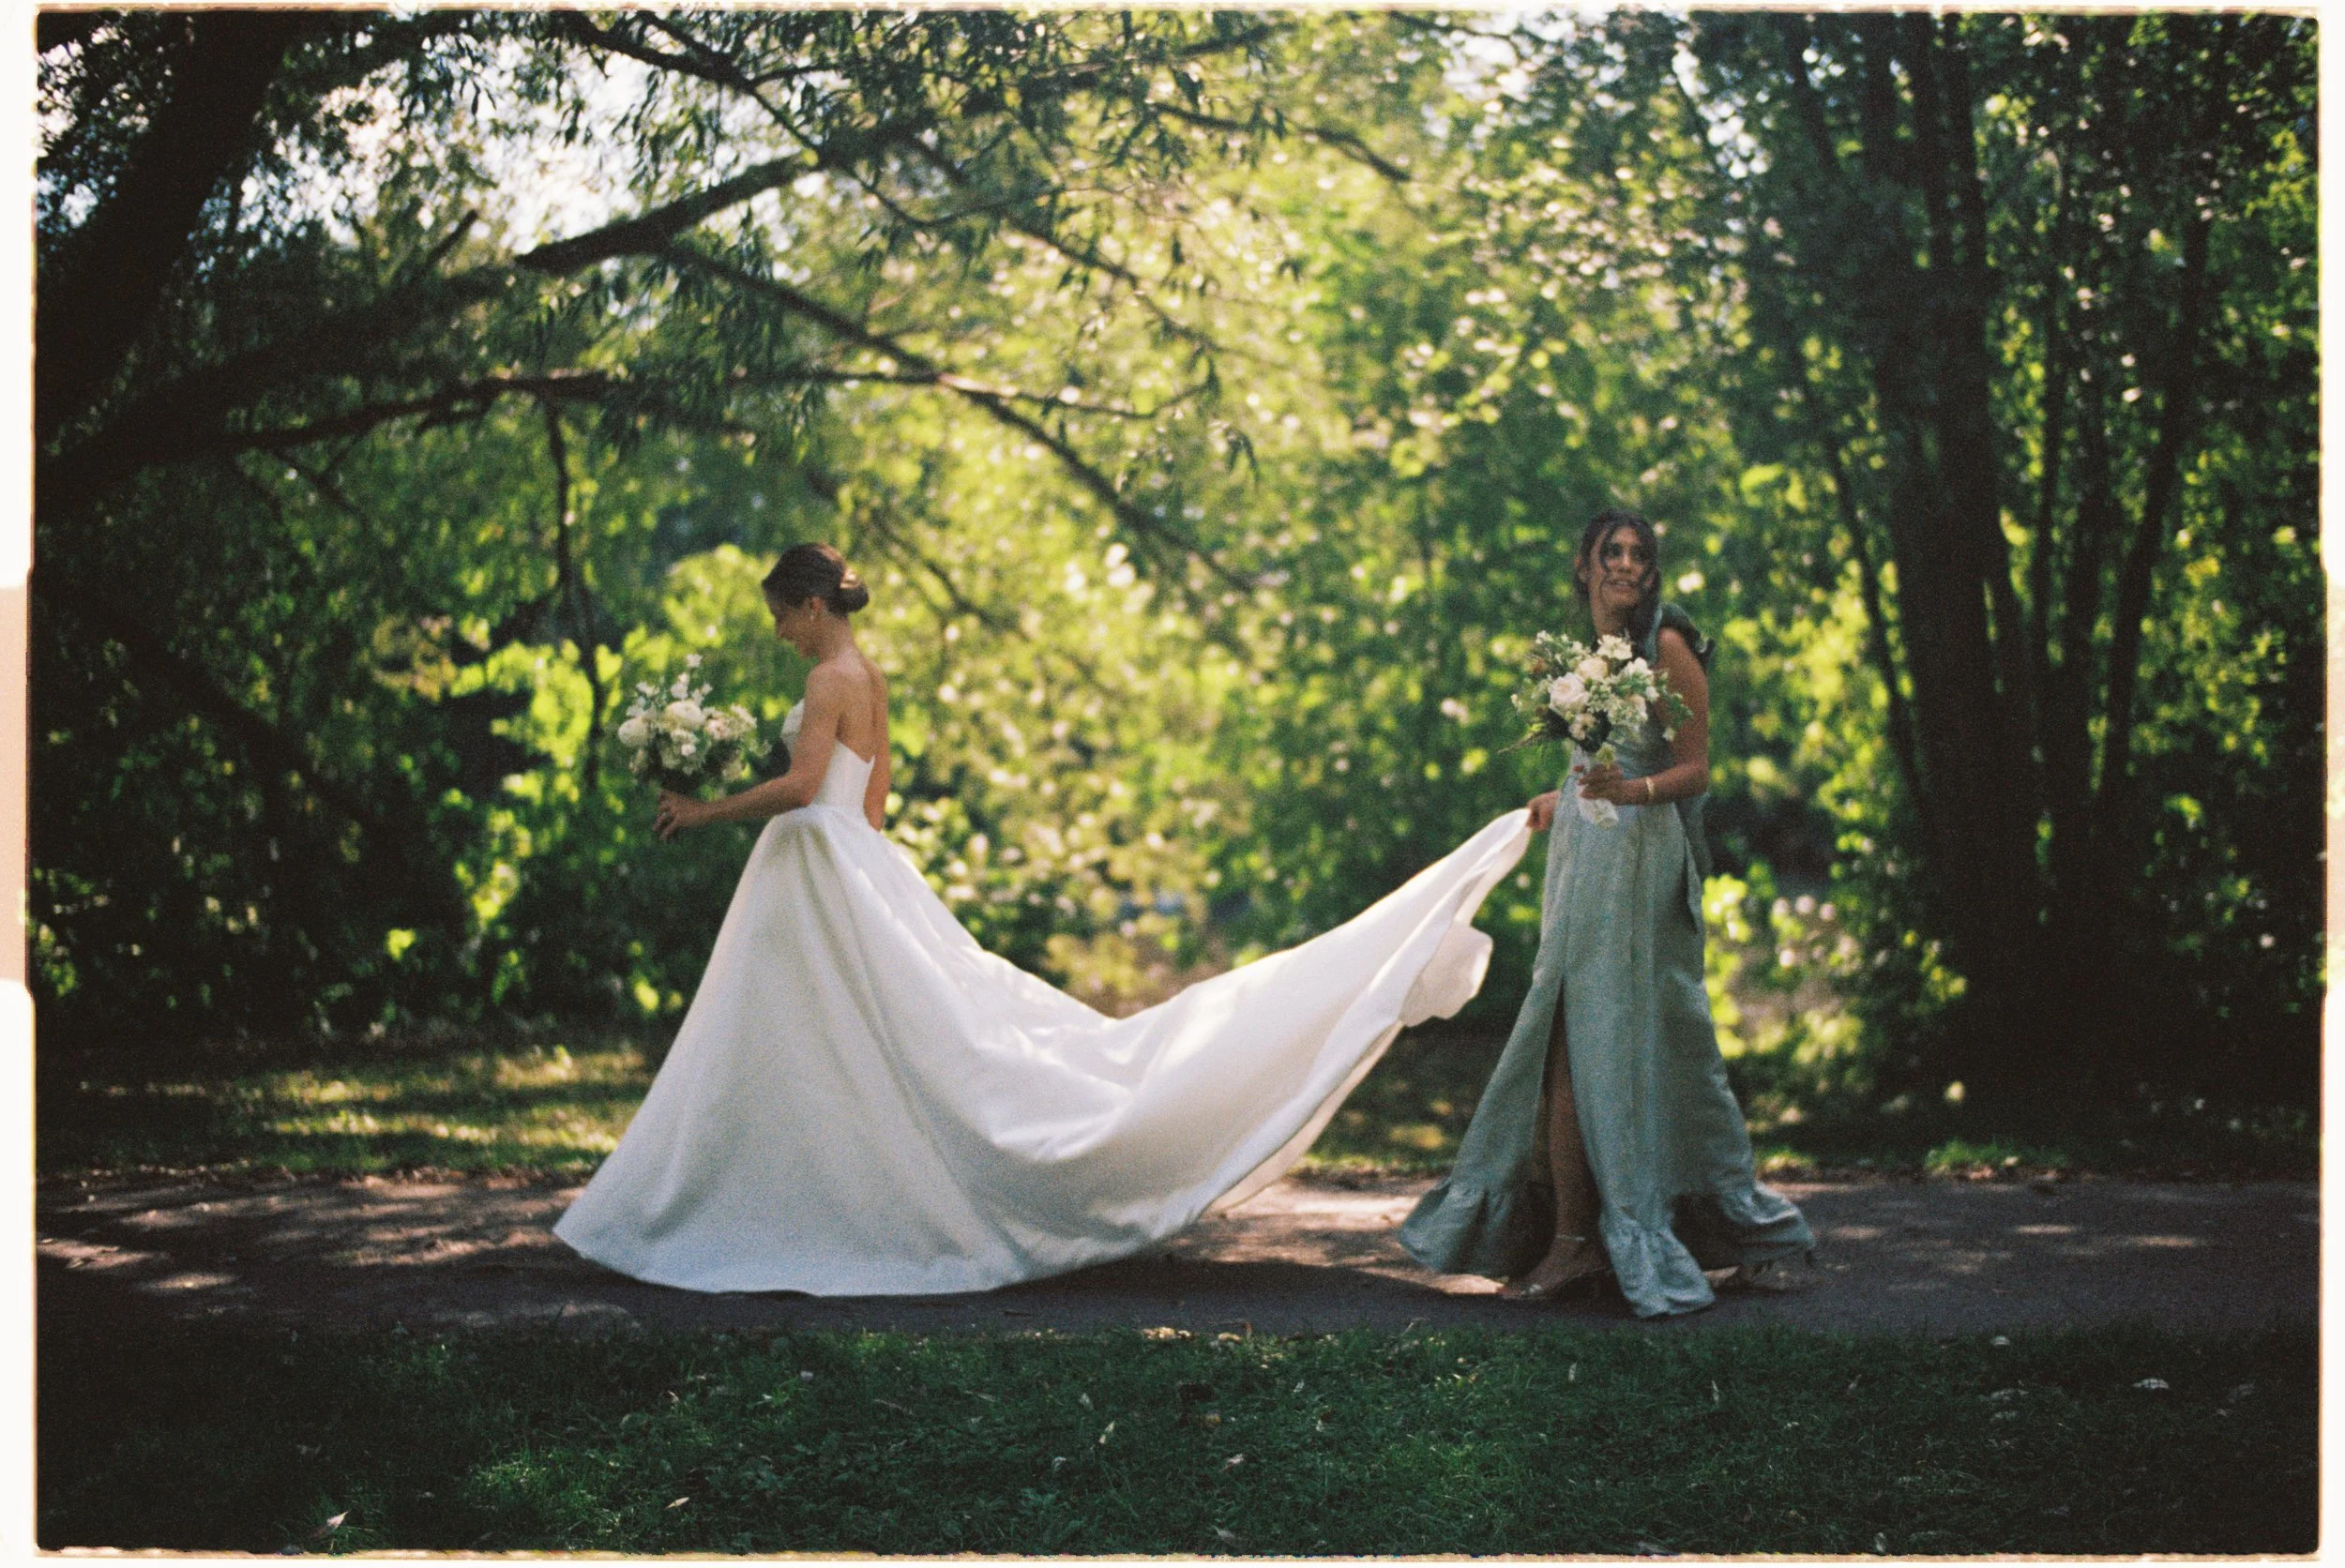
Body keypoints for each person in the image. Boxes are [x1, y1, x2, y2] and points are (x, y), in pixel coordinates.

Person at [554, 542, 1535, 1296]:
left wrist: (703, 810)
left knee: (817, 1042)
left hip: (819, 866)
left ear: (811, 604)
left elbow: (807, 785)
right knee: (870, 1038)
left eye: (781, 614)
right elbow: (872, 801)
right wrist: (868, 876)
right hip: (852, 863)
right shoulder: (872, 678)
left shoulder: (825, 680)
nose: (779, 633)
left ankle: (772, 1197)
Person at [1399, 508, 1812, 1316]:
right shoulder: (1589, 656)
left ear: (1650, 574)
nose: (1625, 564)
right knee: (1572, 1043)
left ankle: (1590, 1240)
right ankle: (1579, 1237)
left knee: (1598, 1044)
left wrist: (1629, 792)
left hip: (1641, 865)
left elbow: (1693, 770)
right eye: (1610, 552)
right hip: (1586, 859)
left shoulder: (1667, 645)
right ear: (1584, 567)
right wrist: (1569, 793)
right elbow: (1606, 760)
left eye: (1639, 555)